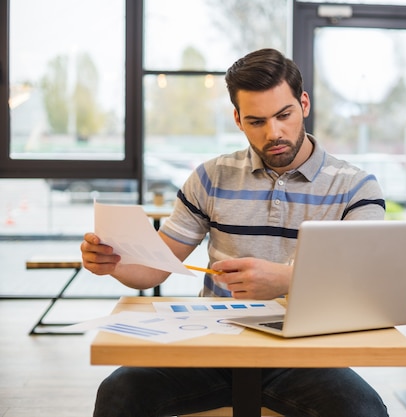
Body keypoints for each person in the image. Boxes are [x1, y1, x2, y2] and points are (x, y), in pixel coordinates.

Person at [81, 48, 389, 417]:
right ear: (238, 119)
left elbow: (364, 284)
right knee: (119, 392)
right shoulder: (210, 178)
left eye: (284, 115)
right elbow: (154, 267)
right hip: (213, 345)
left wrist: (288, 279)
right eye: (256, 121)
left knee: (364, 411)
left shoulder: (356, 187)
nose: (274, 133)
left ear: (304, 104)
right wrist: (113, 262)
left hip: (304, 354)